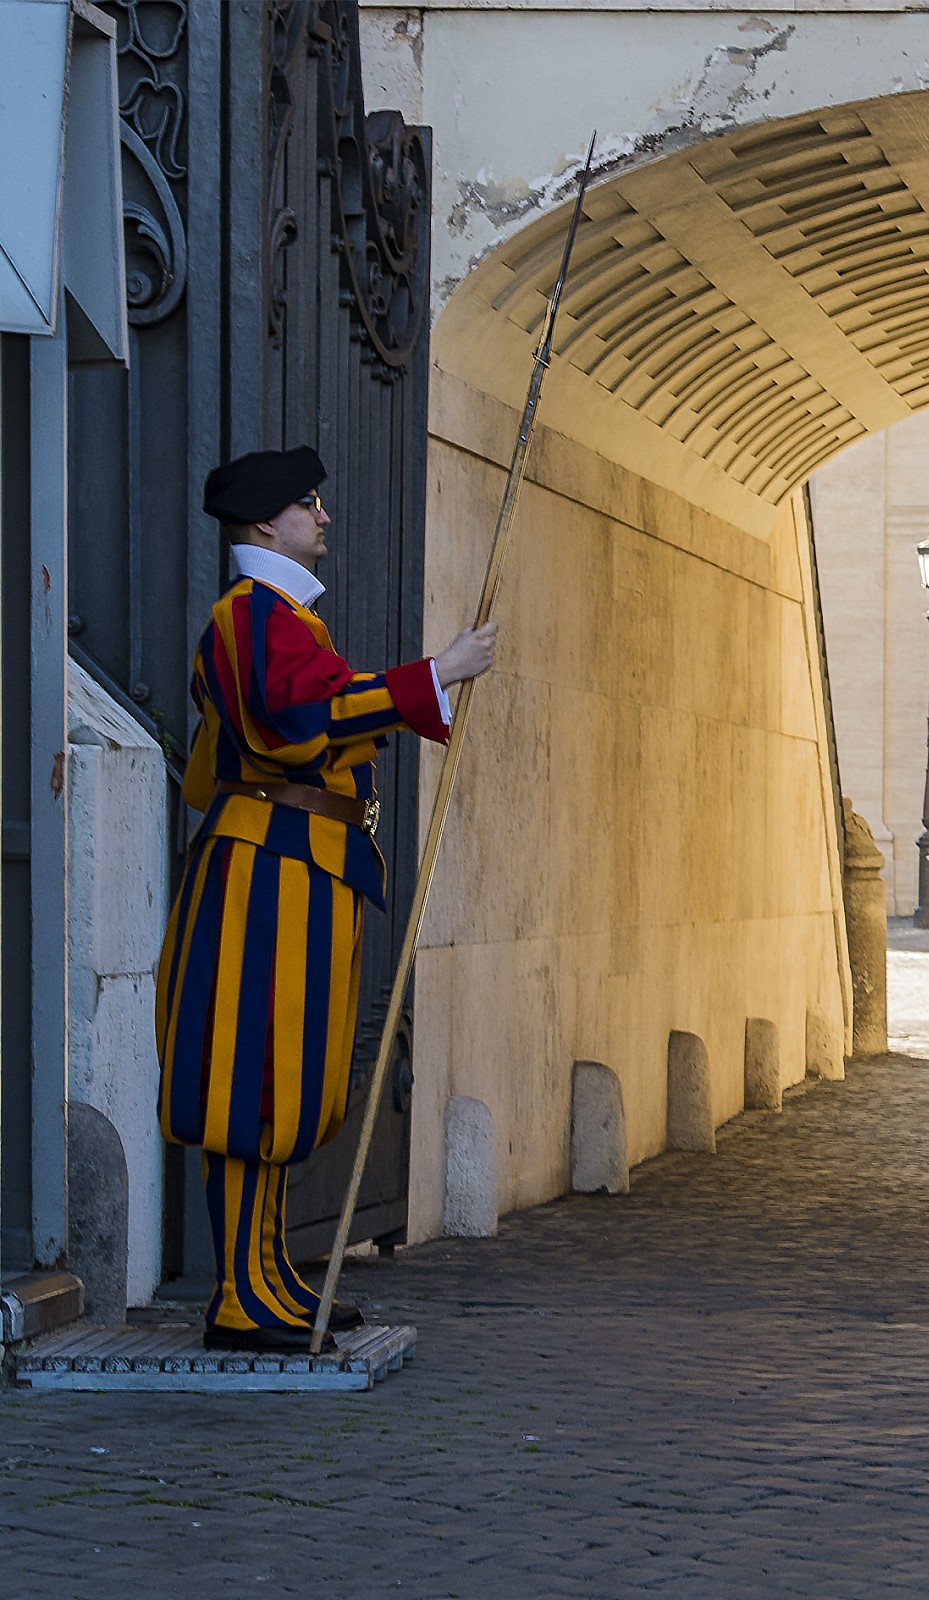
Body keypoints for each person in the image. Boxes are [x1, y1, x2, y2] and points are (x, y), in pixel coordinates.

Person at [155, 447, 498, 1352]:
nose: (325, 517)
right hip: (265, 867)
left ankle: (267, 1274)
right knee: (246, 1081)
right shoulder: (250, 616)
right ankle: (238, 1291)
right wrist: (433, 675)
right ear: (267, 526)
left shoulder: (284, 618)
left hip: (303, 864)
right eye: (309, 505)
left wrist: (428, 687)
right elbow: (292, 720)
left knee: (282, 1081)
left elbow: (320, 704)